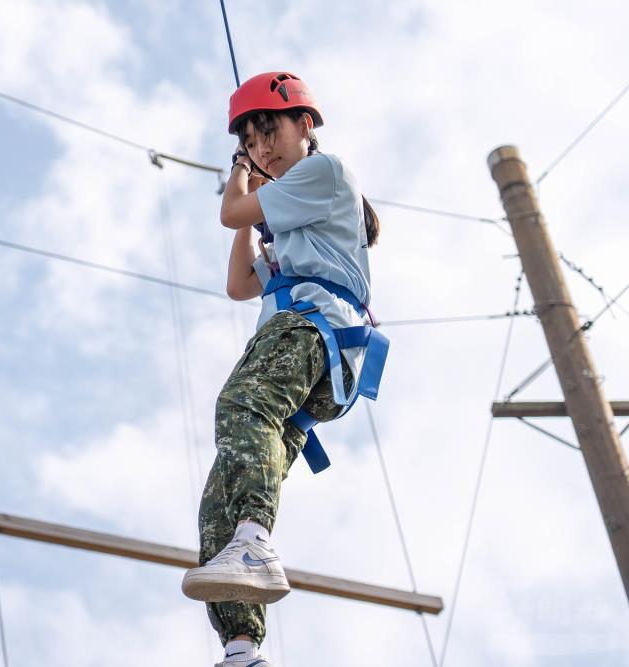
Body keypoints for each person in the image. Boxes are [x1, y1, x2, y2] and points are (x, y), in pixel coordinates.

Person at [180, 71, 382, 667]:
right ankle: (242, 645)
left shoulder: (326, 172)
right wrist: (253, 208)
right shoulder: (297, 230)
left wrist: (240, 177)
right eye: (251, 140)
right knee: (222, 490)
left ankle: (255, 542)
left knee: (243, 405)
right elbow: (238, 284)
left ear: (305, 125)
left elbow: (230, 213)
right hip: (312, 349)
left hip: (314, 330)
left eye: (268, 132)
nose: (263, 147)